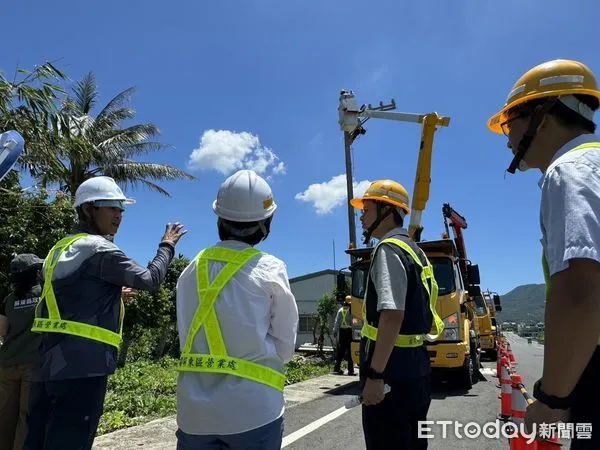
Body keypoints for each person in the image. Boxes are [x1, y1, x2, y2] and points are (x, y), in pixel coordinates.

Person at [23, 176, 187, 450]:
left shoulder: (59, 248)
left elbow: (68, 294)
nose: (119, 215)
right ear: (88, 209)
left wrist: (111, 293)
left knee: (38, 441)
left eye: (121, 209)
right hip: (83, 367)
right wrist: (167, 246)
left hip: (46, 364)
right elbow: (150, 279)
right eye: (112, 207)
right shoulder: (100, 249)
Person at [487, 59, 600, 449]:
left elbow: (581, 292)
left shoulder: (569, 171)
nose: (507, 138)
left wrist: (552, 400)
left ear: (544, 117)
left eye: (510, 122)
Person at [175, 169, 298, 450]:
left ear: (220, 219)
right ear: (266, 222)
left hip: (194, 413)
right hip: (253, 410)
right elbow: (285, 346)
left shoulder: (192, 268)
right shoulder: (270, 268)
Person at [349, 179, 444, 450]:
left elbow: (391, 314)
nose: (362, 217)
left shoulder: (388, 249)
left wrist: (376, 376)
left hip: (392, 371)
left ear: (386, 210)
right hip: (415, 366)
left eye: (366, 209)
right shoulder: (415, 251)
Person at [0, 254, 44, 450]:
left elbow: (2, 330)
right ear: (36, 272)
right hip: (34, 365)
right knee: (26, 418)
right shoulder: (46, 293)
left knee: (4, 415)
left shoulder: (8, 300)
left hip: (7, 363)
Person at [333, 295, 355, 375]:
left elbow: (337, 322)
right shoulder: (352, 311)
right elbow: (354, 323)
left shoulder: (340, 310)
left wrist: (335, 331)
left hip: (341, 332)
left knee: (341, 351)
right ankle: (351, 370)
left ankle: (337, 368)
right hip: (349, 332)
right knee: (350, 351)